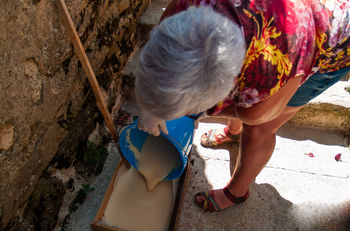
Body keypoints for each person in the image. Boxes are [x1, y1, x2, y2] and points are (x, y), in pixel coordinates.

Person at [134, 0, 350, 211]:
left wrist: (198, 113)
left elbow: (253, 114)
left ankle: (237, 192)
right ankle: (233, 133)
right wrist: (152, 106)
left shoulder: (273, 67)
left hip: (333, 39)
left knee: (259, 129)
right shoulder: (187, 8)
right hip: (270, 24)